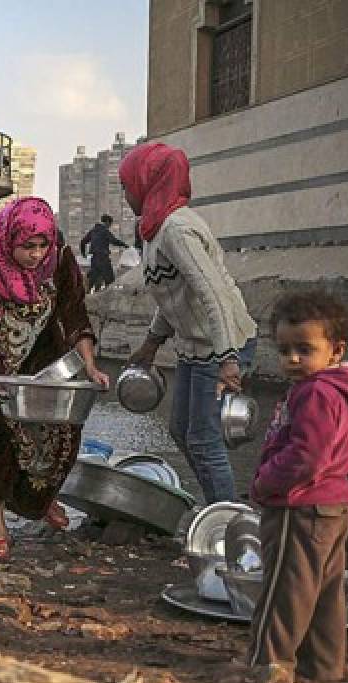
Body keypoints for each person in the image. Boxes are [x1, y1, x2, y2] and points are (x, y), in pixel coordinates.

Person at [0, 197, 110, 562]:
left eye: (42, 246)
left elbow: (75, 317)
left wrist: (91, 366)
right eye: (27, 247)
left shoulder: (60, 261)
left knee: (59, 434)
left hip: (42, 359)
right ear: (8, 242)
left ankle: (41, 501)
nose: (36, 256)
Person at [120, 142, 258, 505]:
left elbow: (211, 294)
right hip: (196, 346)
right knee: (181, 430)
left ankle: (227, 524)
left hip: (223, 343)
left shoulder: (177, 230)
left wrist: (229, 358)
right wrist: (151, 344)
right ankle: (218, 504)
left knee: (205, 437)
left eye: (128, 185)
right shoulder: (154, 230)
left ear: (148, 182)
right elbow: (172, 296)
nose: (126, 193)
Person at [246, 291, 348, 683]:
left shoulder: (316, 392)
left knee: (285, 588)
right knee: (325, 593)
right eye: (284, 350)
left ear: (336, 350)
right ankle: (323, 668)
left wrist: (266, 482)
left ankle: (269, 666)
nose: (292, 359)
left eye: (304, 349)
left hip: (299, 508)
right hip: (334, 507)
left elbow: (306, 458)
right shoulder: (338, 390)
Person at [79, 214, 128, 292]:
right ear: (107, 222)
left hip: (94, 259)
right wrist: (125, 245)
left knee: (92, 280)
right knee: (110, 280)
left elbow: (83, 242)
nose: (110, 226)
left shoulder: (93, 231)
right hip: (103, 259)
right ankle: (108, 299)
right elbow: (114, 241)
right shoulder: (104, 231)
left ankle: (86, 296)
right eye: (110, 224)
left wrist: (83, 254)